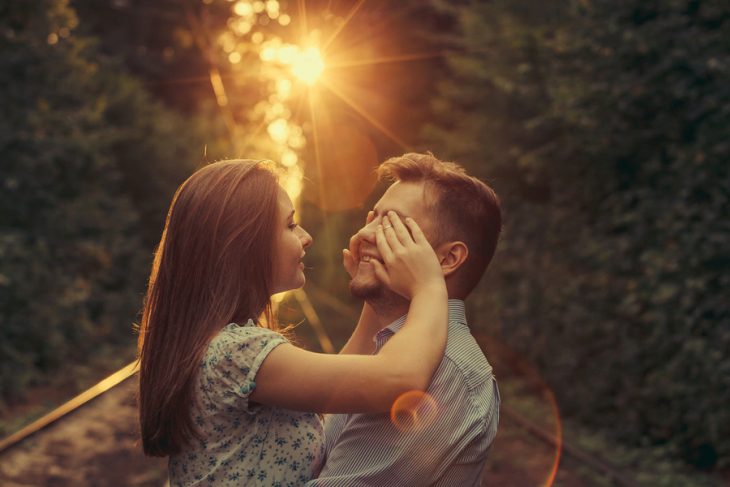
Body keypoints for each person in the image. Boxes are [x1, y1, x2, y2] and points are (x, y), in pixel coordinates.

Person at [136, 159, 449, 486]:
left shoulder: (218, 347)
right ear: (244, 245)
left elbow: (332, 391)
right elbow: (397, 380)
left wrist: (372, 291)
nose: (306, 236)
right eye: (290, 225)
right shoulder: (237, 353)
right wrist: (428, 284)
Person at [310, 152, 502, 486]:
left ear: (448, 258)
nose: (364, 233)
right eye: (372, 218)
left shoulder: (446, 371)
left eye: (391, 224)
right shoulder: (392, 347)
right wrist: (375, 287)